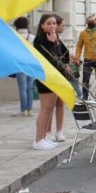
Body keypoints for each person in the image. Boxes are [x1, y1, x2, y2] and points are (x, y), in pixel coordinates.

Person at [31, 14, 69, 149]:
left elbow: (63, 56)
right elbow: (49, 59)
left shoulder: (54, 38)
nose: (52, 26)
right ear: (42, 25)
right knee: (45, 109)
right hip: (46, 78)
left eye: (54, 23)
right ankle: (38, 139)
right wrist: (53, 42)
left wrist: (55, 42)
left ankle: (44, 137)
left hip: (56, 78)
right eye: (49, 23)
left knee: (50, 108)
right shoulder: (40, 40)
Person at [73, 15, 96, 101]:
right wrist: (77, 58)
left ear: (95, 21)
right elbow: (79, 46)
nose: (90, 22)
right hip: (87, 59)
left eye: (91, 20)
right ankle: (85, 97)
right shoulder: (83, 33)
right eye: (88, 20)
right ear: (86, 22)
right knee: (85, 79)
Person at [12, 17, 35, 117]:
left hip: (19, 64)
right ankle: (30, 110)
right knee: (30, 88)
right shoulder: (32, 37)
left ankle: (23, 110)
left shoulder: (14, 36)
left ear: (16, 26)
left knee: (22, 88)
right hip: (31, 64)